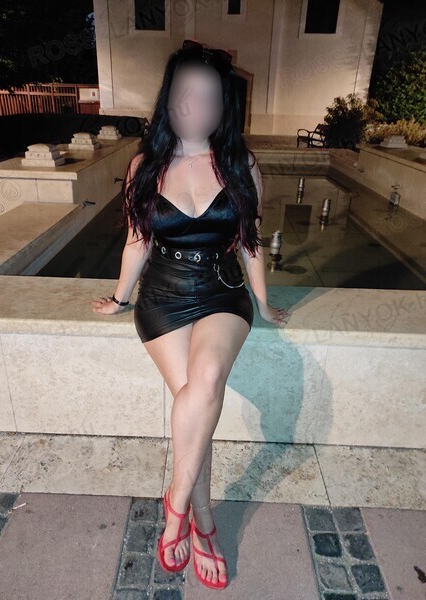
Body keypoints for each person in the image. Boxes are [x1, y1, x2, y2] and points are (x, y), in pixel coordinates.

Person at [92, 39, 291, 590]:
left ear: (224, 107)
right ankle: (204, 524)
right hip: (163, 296)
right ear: (169, 99)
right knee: (198, 411)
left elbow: (250, 241)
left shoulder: (240, 163)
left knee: (204, 383)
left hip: (223, 291)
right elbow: (137, 241)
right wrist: (121, 298)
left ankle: (176, 505)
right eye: (186, 94)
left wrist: (263, 302)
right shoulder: (145, 166)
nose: (196, 107)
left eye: (209, 97)